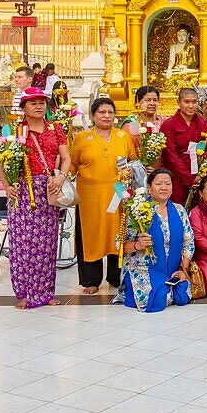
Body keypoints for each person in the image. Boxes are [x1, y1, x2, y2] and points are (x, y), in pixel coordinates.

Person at [2, 88, 71, 309]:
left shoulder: (56, 129)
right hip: (23, 190)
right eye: (33, 103)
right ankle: (23, 292)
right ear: (23, 107)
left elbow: (66, 157)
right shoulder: (15, 130)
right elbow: (2, 161)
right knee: (22, 243)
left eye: (42, 102)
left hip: (49, 189)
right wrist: (7, 186)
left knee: (47, 243)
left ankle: (45, 291)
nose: (39, 106)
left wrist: (61, 176)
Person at [69, 97, 137, 294]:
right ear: (93, 115)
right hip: (89, 198)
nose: (106, 116)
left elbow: (133, 162)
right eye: (102, 112)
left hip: (118, 198)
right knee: (90, 236)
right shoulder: (82, 138)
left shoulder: (123, 137)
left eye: (110, 112)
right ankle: (91, 279)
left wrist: (133, 172)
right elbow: (72, 166)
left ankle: (116, 276)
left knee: (118, 233)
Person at [119, 169, 194, 311]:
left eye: (168, 184)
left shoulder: (179, 210)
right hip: (143, 269)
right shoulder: (138, 211)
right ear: (149, 188)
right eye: (159, 183)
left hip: (172, 269)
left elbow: (188, 242)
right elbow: (120, 245)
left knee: (182, 294)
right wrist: (137, 245)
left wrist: (182, 269)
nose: (164, 187)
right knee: (153, 298)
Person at [160, 88, 207, 206]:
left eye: (194, 102)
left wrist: (201, 175)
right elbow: (171, 155)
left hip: (199, 177)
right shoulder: (169, 125)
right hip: (177, 177)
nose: (191, 106)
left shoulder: (202, 123)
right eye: (186, 102)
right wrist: (189, 178)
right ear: (179, 103)